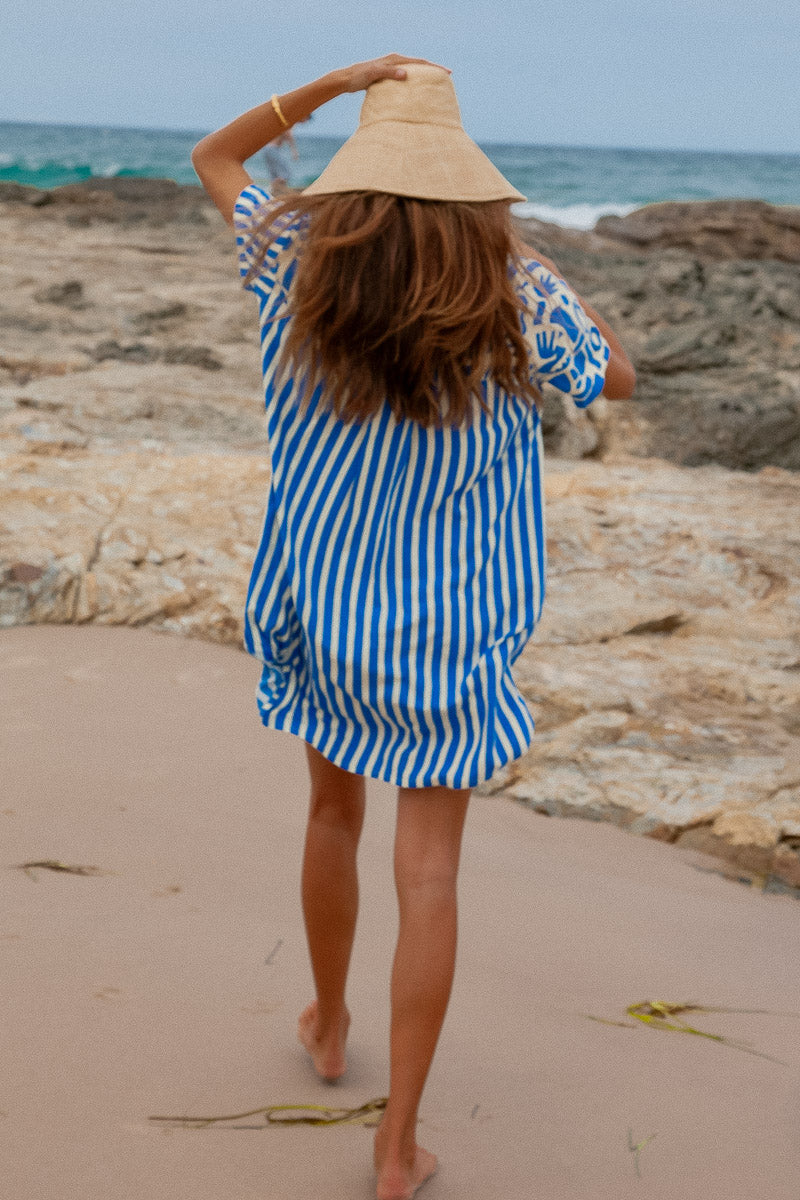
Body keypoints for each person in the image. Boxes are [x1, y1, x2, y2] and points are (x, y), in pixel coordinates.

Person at [192, 54, 635, 1200]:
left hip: (325, 605)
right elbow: (616, 379)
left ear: (360, 169)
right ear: (469, 186)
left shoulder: (294, 258)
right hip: (449, 629)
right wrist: (533, 269)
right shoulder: (507, 287)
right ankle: (395, 1149)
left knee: (331, 811)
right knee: (427, 873)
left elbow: (216, 155)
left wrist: (329, 86)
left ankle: (331, 1023)